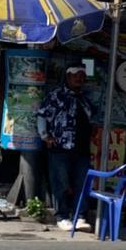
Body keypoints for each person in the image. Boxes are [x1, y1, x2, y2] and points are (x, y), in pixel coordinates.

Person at [37, 64, 95, 230]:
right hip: (60, 147)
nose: (79, 78)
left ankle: (80, 216)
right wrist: (44, 135)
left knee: (82, 183)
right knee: (60, 182)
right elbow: (42, 115)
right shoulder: (56, 95)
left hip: (82, 148)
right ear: (68, 76)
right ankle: (61, 216)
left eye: (82, 75)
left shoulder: (85, 98)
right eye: (76, 75)